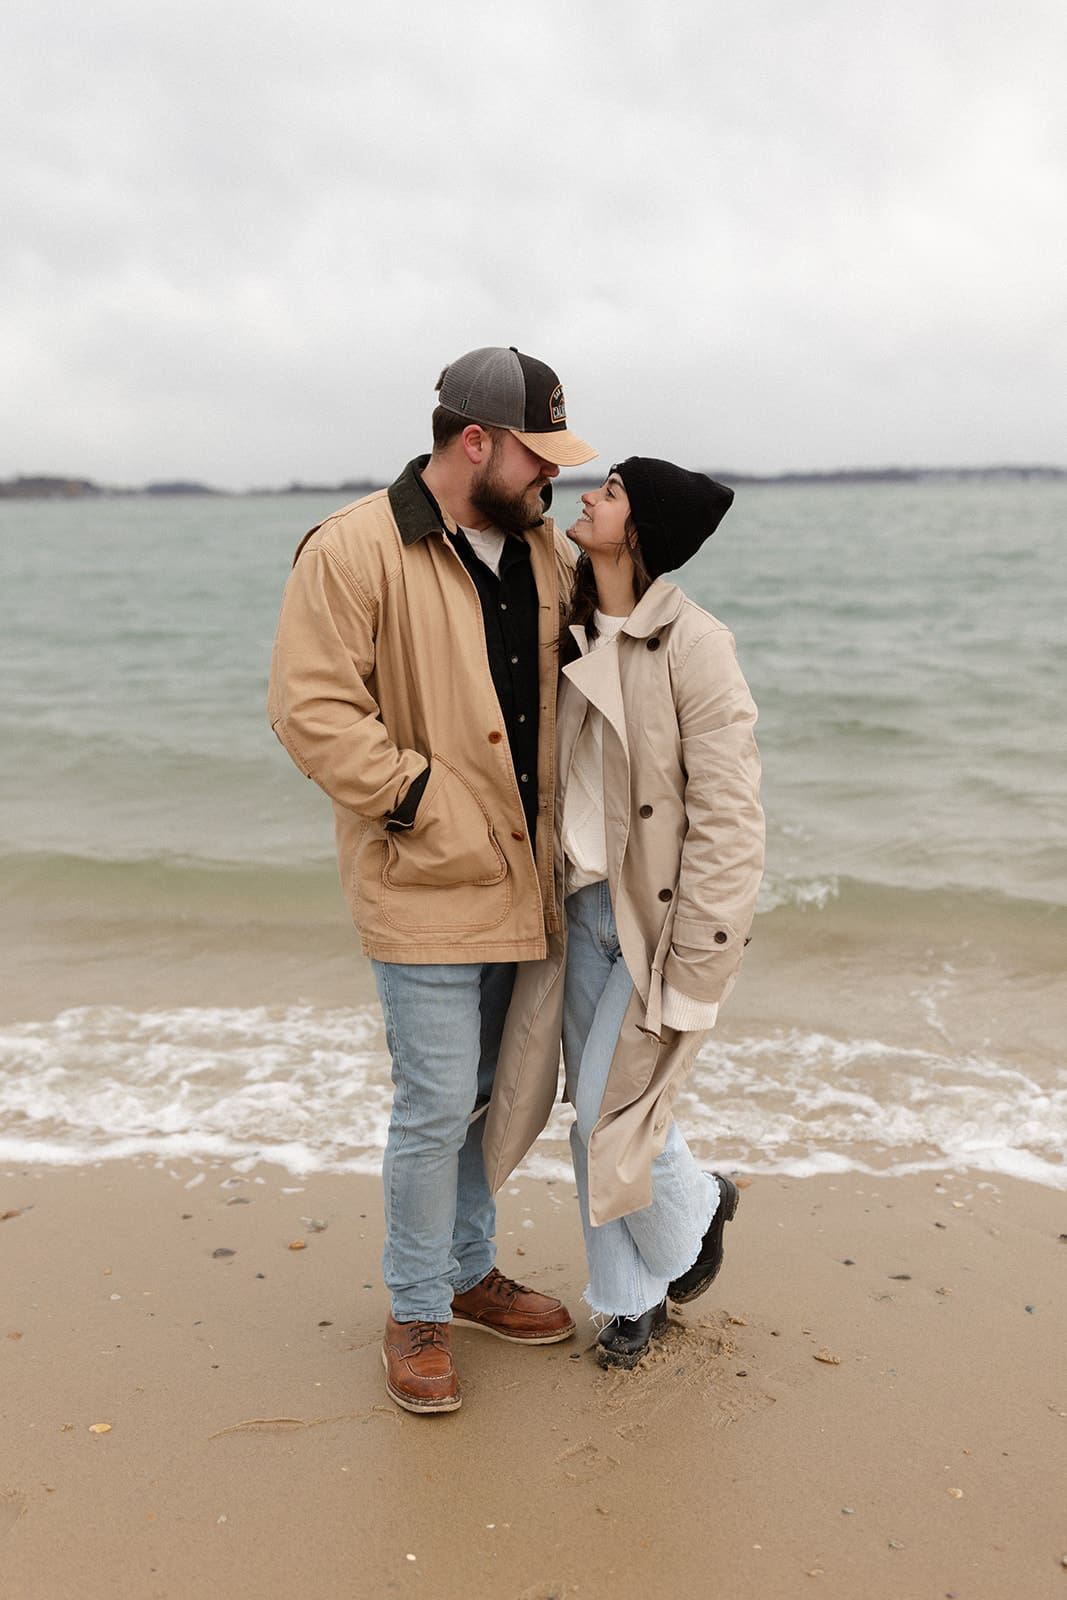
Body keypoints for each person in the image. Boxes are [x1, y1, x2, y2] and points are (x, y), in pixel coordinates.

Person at [268, 347, 598, 1412]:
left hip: (525, 876)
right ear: (474, 442)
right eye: (535, 451)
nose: (552, 472)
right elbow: (310, 709)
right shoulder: (353, 547)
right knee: (431, 1102)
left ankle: (466, 1270)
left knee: (489, 1096)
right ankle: (414, 1307)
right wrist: (416, 799)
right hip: (420, 874)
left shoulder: (542, 545)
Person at [483, 457, 765, 1368]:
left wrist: (697, 957)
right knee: (600, 1113)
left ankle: (662, 1253)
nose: (588, 498)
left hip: (654, 923)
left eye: (608, 493)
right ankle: (654, 1272)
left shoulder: (694, 644)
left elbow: (729, 816)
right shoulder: (561, 626)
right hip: (575, 910)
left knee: (608, 1115)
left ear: (636, 531)